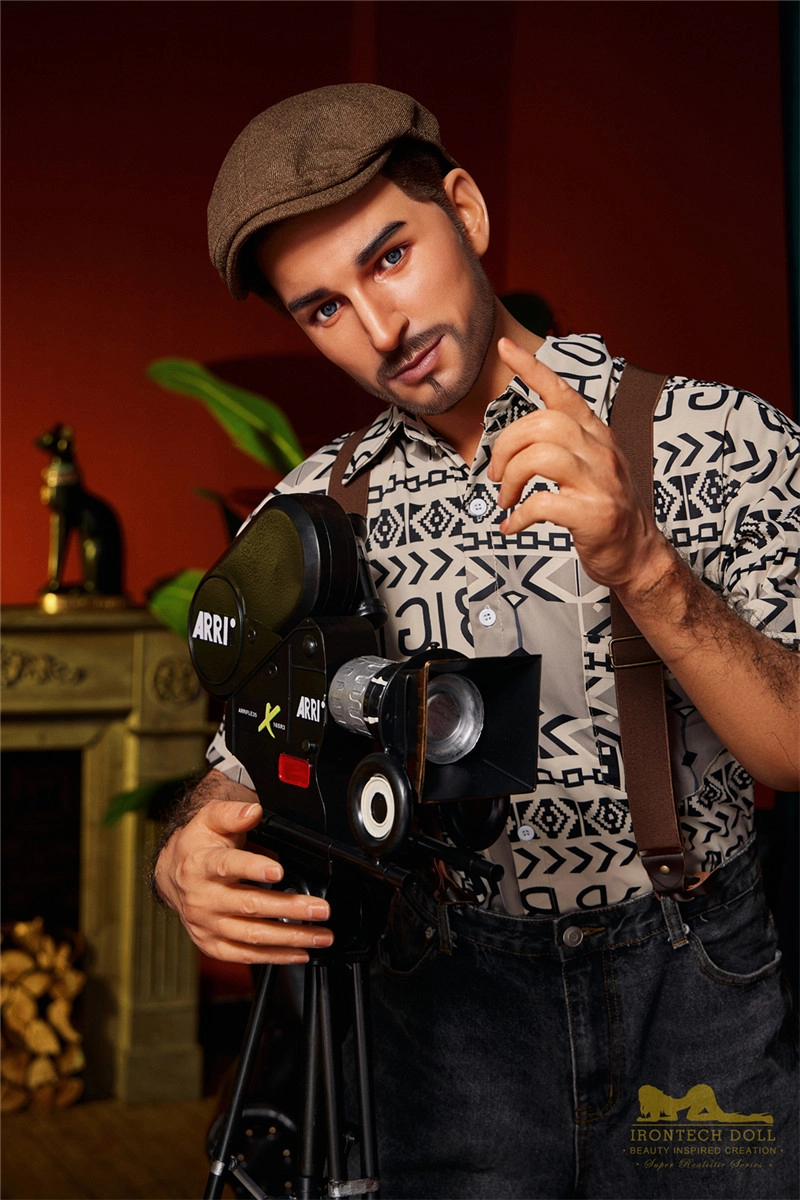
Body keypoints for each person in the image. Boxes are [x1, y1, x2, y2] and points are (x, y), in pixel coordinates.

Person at [152, 84, 799, 1198]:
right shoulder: (308, 518)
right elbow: (249, 765)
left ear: (466, 210)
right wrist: (190, 847)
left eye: (391, 256)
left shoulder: (721, 439)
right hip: (447, 1023)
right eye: (323, 307)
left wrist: (645, 565)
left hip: (695, 999)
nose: (381, 329)